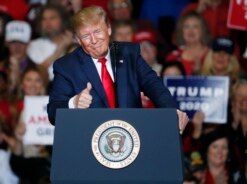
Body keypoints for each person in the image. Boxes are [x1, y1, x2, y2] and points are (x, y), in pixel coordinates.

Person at [47, 6, 189, 134]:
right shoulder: (66, 66)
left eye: (97, 31)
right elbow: (53, 113)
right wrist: (74, 103)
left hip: (133, 137)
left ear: (108, 29)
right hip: (89, 142)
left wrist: (172, 111)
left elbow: (154, 85)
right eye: (85, 36)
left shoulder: (129, 54)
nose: (94, 40)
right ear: (78, 39)